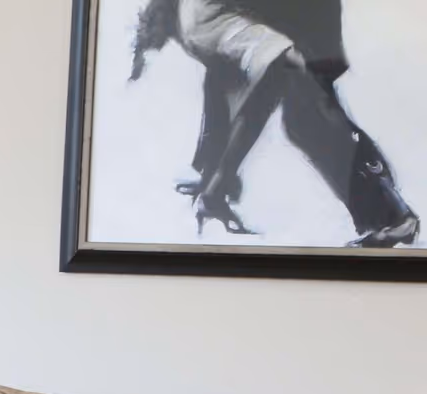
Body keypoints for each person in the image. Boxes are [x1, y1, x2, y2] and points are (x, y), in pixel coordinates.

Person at [133, 0, 418, 247]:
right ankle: (389, 214)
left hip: (299, 22)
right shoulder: (200, 22)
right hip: (282, 22)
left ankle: (391, 216)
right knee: (298, 112)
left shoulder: (202, 22)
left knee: (308, 119)